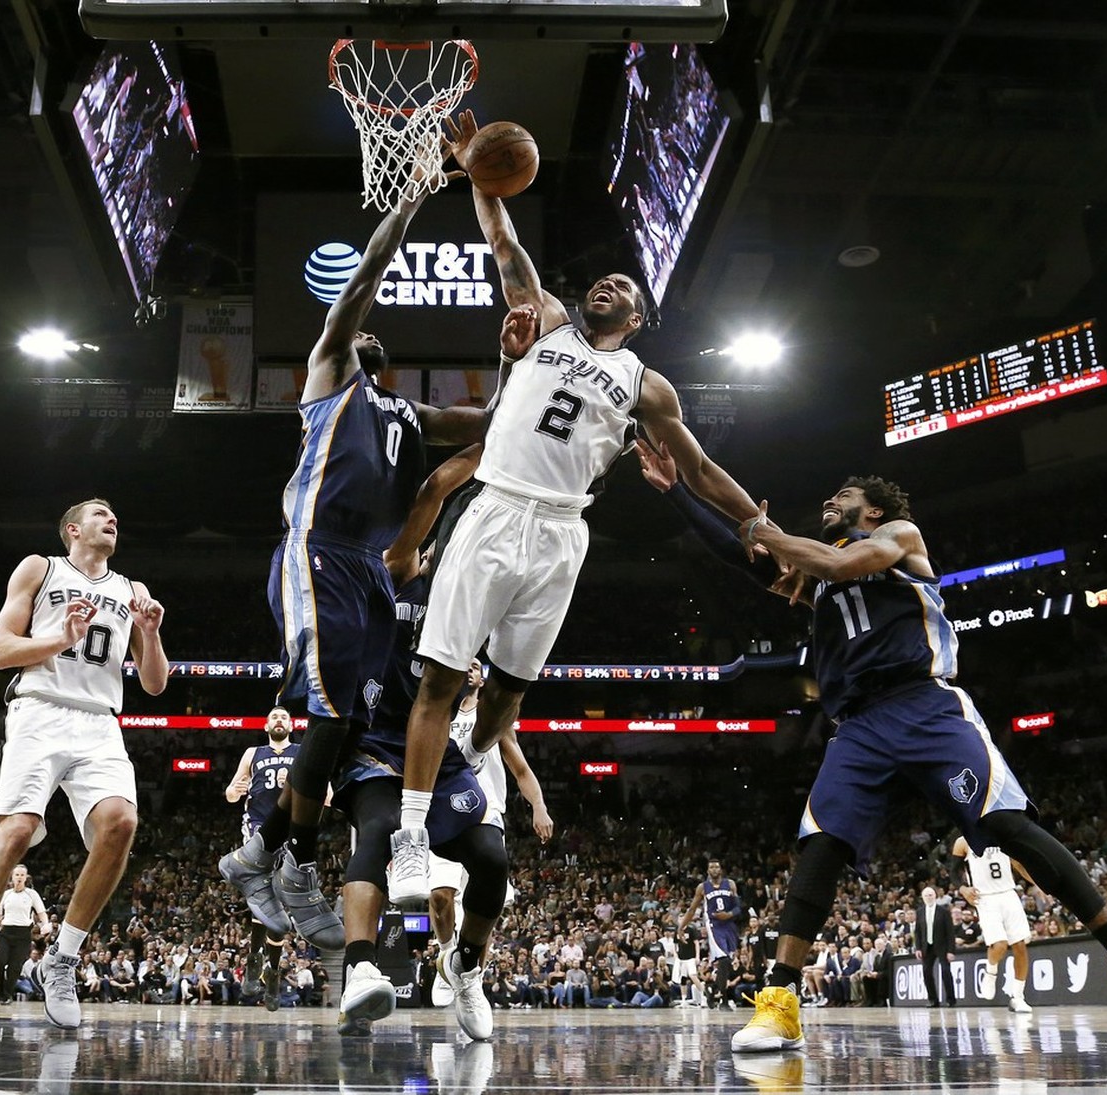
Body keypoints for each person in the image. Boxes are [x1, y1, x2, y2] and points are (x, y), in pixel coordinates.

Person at [389, 110, 764, 904]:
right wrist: (475, 173)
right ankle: (411, 838)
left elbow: (698, 469)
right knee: (441, 677)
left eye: (623, 287)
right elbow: (503, 240)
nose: (608, 283)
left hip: (564, 531)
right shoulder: (547, 319)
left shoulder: (645, 385)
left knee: (508, 693)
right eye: (604, 277)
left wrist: (757, 524)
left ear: (636, 319)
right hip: (497, 508)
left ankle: (468, 764)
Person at [730, 476, 1107, 1054]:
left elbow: (817, 557)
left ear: (872, 509)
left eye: (843, 496)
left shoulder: (897, 535)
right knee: (821, 845)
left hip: (925, 703)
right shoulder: (814, 570)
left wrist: (766, 532)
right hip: (858, 726)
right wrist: (680, 488)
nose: (829, 500)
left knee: (1005, 826)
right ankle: (779, 1002)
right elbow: (751, 545)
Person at [218, 161, 488, 947]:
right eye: (357, 322)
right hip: (319, 551)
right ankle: (284, 856)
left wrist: (529, 362)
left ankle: (266, 849)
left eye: (373, 333)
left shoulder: (404, 406)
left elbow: (485, 421)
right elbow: (366, 276)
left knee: (344, 719)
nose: (362, 328)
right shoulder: (331, 371)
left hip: (368, 568)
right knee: (331, 710)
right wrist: (409, 203)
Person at [0, 498, 167, 1036]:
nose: (113, 519)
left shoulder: (133, 590)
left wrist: (149, 634)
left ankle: (63, 959)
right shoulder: (41, 567)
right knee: (15, 833)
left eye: (115, 515)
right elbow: (2, 651)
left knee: (121, 823)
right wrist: (61, 638)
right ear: (73, 529)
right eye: (102, 514)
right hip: (39, 707)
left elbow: (154, 684)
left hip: (100, 720)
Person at [332, 444, 516, 1042]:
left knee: (491, 860)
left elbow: (496, 701)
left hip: (444, 762)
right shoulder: (405, 573)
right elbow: (435, 488)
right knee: (380, 832)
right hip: (380, 746)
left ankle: (466, 969)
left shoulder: (475, 610)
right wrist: (500, 434)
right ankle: (359, 968)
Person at [429, 656, 553, 1009]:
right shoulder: (436, 712)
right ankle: (446, 956)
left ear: (483, 678)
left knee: (482, 909)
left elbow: (521, 770)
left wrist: (539, 806)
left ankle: (471, 979)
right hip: (441, 810)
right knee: (440, 896)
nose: (469, 668)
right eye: (463, 662)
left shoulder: (492, 717)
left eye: (475, 665)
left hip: (485, 814)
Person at [223, 705, 298, 1010]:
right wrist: (233, 790)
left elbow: (324, 790)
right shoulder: (253, 753)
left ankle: (271, 970)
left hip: (292, 829)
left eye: (284, 716)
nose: (279, 719)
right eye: (274, 717)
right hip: (258, 827)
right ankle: (257, 964)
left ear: (291, 725)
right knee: (263, 891)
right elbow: (231, 793)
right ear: (267, 726)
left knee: (276, 903)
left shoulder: (302, 751)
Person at [951, 834, 1038, 1012]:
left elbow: (1019, 865)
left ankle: (1018, 997)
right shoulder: (963, 842)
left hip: (1008, 893)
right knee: (999, 945)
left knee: (1020, 945)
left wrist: (1041, 885)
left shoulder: (1003, 835)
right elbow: (953, 872)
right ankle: (990, 973)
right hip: (984, 897)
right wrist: (963, 889)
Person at [678, 859, 742, 1004]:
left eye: (716, 867)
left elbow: (738, 907)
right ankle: (719, 994)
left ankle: (715, 991)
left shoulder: (730, 884)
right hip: (714, 926)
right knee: (724, 959)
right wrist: (681, 927)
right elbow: (692, 910)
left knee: (727, 963)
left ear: (721, 869)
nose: (714, 869)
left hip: (729, 925)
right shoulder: (702, 887)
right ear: (708, 871)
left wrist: (729, 915)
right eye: (711, 867)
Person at [0, 865, 51, 1004]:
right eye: (17, 875)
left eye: (22, 875)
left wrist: (45, 924)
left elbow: (41, 912)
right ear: (12, 877)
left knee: (15, 967)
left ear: (26, 877)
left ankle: (7, 994)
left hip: (23, 934)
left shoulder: (31, 894)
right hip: (6, 932)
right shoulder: (6, 894)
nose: (19, 877)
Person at [913, 885, 955, 1008]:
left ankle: (950, 999)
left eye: (930, 895)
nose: (928, 897)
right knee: (926, 972)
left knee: (946, 971)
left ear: (935, 896)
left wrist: (951, 950)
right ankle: (933, 999)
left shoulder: (944, 911)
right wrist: (918, 948)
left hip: (942, 946)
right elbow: (918, 932)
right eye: (926, 895)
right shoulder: (920, 912)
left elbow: (950, 932)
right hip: (927, 947)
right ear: (922, 897)